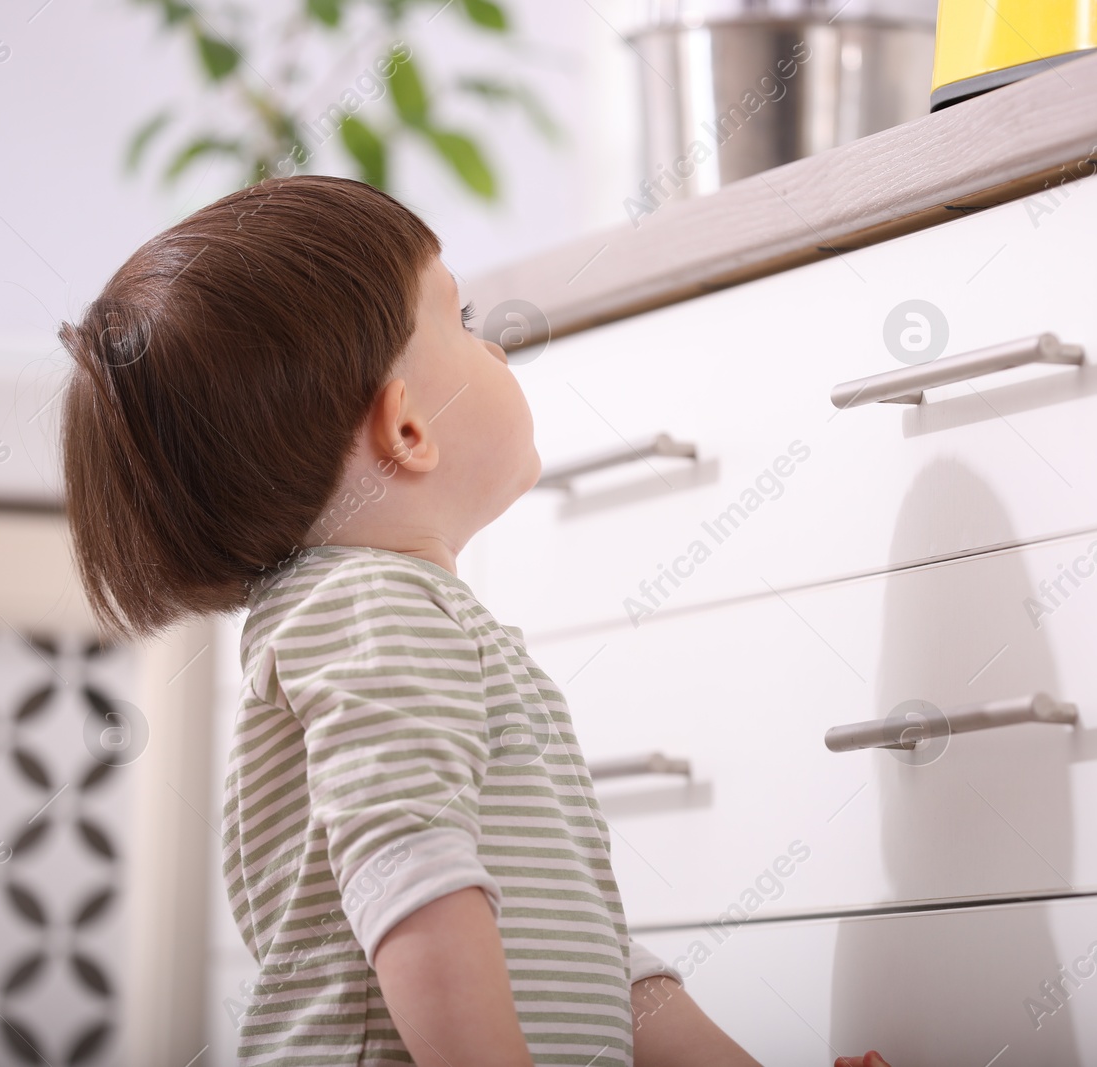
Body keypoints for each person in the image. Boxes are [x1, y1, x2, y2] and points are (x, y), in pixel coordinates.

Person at [58, 175, 821, 1065]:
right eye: (458, 322)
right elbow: (409, 872)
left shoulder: (387, 618)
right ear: (408, 428)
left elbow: (580, 943)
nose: (494, 346)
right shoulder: (371, 611)